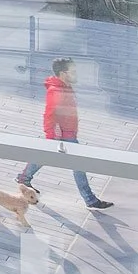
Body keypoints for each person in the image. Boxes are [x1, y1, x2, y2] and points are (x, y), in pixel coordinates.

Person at [19, 57, 111, 210]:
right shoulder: (57, 91)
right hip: (63, 135)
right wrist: (52, 136)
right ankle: (90, 200)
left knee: (46, 156)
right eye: (73, 71)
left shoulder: (64, 86)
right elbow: (49, 114)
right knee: (79, 164)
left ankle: (23, 178)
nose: (76, 74)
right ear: (63, 73)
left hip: (66, 132)